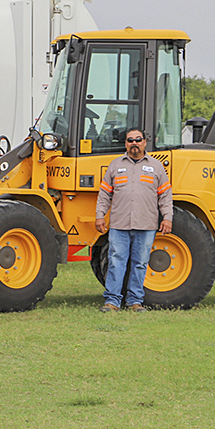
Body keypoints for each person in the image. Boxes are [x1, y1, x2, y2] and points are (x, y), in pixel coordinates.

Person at [95, 128, 173, 313]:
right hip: (119, 225)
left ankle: (135, 302)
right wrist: (100, 215)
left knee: (140, 264)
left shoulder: (156, 167)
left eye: (138, 140)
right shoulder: (115, 165)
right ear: (126, 144)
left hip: (146, 225)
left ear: (145, 142)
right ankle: (112, 302)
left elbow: (165, 196)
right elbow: (105, 194)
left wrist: (168, 218)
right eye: (130, 140)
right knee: (116, 262)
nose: (134, 143)